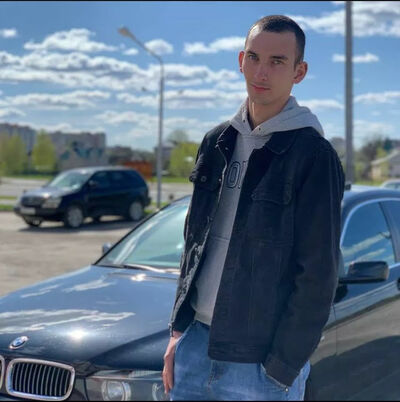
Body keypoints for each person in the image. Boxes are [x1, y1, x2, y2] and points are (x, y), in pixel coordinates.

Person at [163, 14, 345, 401]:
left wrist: (281, 367)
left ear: (299, 72)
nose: (262, 72)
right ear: (240, 60)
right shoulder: (216, 142)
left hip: (259, 366)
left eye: (277, 61)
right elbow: (193, 243)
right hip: (194, 348)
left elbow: (319, 274)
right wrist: (178, 333)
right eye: (254, 57)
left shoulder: (314, 155)